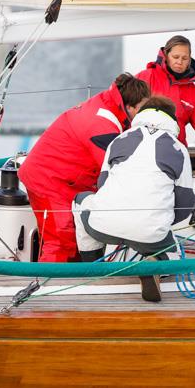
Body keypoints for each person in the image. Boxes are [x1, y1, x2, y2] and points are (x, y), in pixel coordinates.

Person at [72, 96, 195, 302]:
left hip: (103, 225)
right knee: (174, 257)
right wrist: (158, 219)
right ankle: (154, 264)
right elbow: (184, 204)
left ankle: (93, 267)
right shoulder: (179, 149)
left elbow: (102, 184)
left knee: (80, 200)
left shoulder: (118, 140)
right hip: (150, 233)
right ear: (172, 120)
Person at [18, 73, 151, 263]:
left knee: (67, 238)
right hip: (51, 181)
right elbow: (115, 172)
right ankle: (49, 288)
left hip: (61, 178)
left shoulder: (107, 106)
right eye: (142, 109)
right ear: (129, 107)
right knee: (61, 240)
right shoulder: (102, 125)